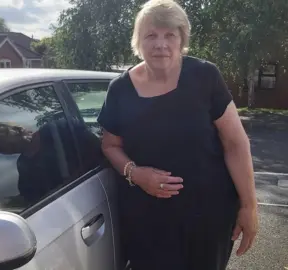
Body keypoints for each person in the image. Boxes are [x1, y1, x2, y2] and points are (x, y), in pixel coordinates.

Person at [97, 0, 258, 269]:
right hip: (148, 221)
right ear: (138, 41)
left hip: (209, 217)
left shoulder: (205, 76)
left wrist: (249, 207)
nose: (160, 44)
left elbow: (236, 144)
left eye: (169, 35)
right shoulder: (120, 90)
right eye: (151, 35)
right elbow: (110, 145)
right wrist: (136, 174)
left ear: (182, 39)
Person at [0, 117, 102, 204]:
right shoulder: (24, 165)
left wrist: (73, 179)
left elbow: (99, 151)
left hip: (98, 191)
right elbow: (32, 199)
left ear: (12, 129)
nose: (0, 150)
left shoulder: (59, 129)